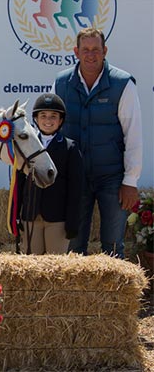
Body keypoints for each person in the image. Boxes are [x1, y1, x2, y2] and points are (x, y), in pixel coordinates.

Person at [53, 27, 143, 258]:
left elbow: (133, 135)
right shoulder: (61, 83)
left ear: (105, 51)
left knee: (113, 248)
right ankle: (75, 295)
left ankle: (115, 295)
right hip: (75, 178)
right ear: (76, 52)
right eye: (86, 49)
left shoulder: (123, 84)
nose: (91, 54)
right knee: (73, 247)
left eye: (96, 49)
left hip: (112, 178)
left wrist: (130, 181)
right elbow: (50, 130)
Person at [17, 93, 83, 255]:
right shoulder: (26, 146)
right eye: (43, 116)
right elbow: (18, 183)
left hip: (57, 218)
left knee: (55, 268)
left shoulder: (70, 148)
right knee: (31, 267)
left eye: (53, 116)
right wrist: (17, 216)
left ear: (61, 120)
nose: (48, 120)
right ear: (36, 119)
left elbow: (76, 188)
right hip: (30, 216)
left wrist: (72, 222)